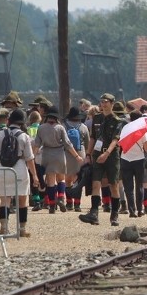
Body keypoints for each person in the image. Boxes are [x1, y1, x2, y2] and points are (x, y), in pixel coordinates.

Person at [0, 108, 39, 237]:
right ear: (22, 122)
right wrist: (35, 176)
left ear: (9, 120)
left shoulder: (0, 134)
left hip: (3, 169)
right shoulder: (24, 136)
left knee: (5, 200)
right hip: (20, 168)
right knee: (22, 199)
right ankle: (22, 229)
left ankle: (4, 227)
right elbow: (29, 158)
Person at [79, 93, 124, 227]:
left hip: (111, 156)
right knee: (95, 183)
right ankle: (94, 214)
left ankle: (114, 214)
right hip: (97, 155)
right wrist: (88, 155)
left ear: (112, 103)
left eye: (106, 102)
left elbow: (116, 140)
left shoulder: (117, 120)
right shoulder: (97, 118)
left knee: (113, 185)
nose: (103, 104)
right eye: (102, 101)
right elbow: (93, 137)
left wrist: (107, 153)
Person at [33, 106, 84, 213]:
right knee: (61, 179)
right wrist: (77, 156)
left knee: (51, 182)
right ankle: (61, 198)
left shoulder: (41, 128)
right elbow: (68, 144)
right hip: (60, 154)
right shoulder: (60, 128)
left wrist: (32, 157)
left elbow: (37, 144)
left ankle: (52, 205)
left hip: (47, 154)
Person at [63, 107, 90, 213]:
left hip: (67, 153)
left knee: (67, 180)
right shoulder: (83, 127)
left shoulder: (64, 126)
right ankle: (77, 203)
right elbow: (87, 142)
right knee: (78, 180)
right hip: (80, 153)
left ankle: (69, 202)